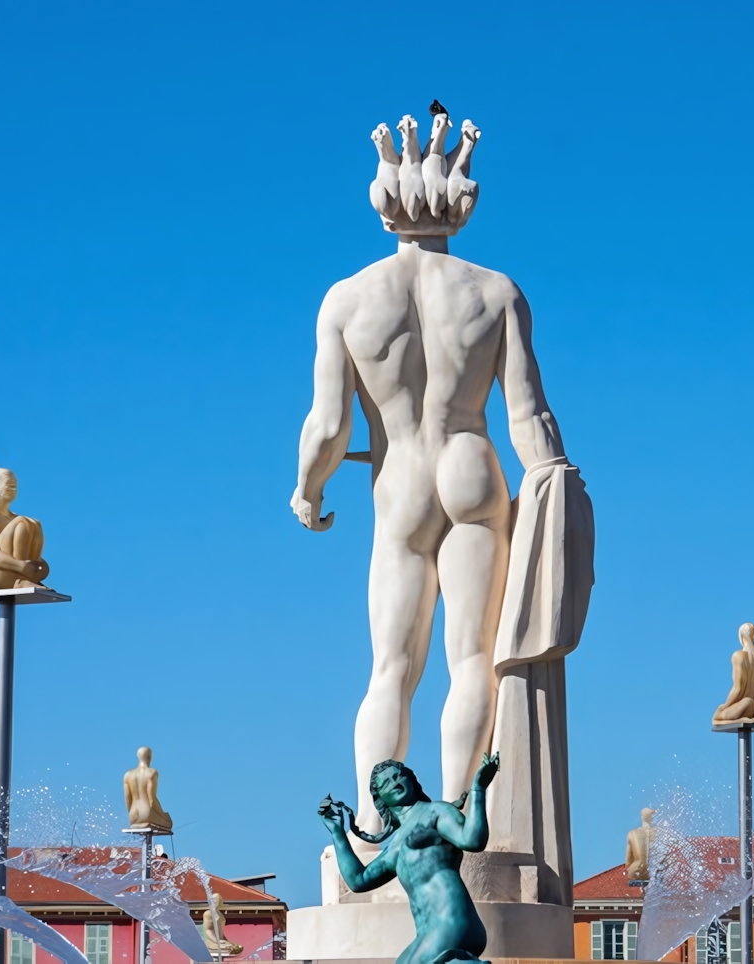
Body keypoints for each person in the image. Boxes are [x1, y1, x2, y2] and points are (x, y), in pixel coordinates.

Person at [292, 224, 566, 831]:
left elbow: (328, 425)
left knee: (392, 668)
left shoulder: (349, 298)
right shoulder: (496, 292)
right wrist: (556, 485)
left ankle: (372, 824)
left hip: (403, 483)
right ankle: (456, 815)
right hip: (471, 465)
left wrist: (307, 490)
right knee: (473, 659)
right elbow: (530, 414)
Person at [319, 753, 499, 964]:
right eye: (386, 782)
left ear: (411, 780)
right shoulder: (394, 847)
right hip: (427, 933)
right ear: (381, 799)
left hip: (452, 919)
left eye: (398, 776)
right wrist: (338, 833)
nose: (395, 782)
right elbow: (358, 881)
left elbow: (473, 840)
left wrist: (478, 790)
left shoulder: (436, 811)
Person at [712, 623, 754, 725]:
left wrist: (726, 705)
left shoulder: (739, 656)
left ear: (740, 635)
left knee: (716, 719)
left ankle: (740, 720)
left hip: (746, 706)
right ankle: (746, 719)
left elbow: (738, 688)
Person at [123, 746, 173, 832]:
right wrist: (163, 815)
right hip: (147, 813)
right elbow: (152, 799)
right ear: (150, 757)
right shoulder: (152, 773)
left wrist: (131, 814)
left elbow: (128, 800)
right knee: (169, 823)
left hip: (133, 815)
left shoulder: (127, 775)